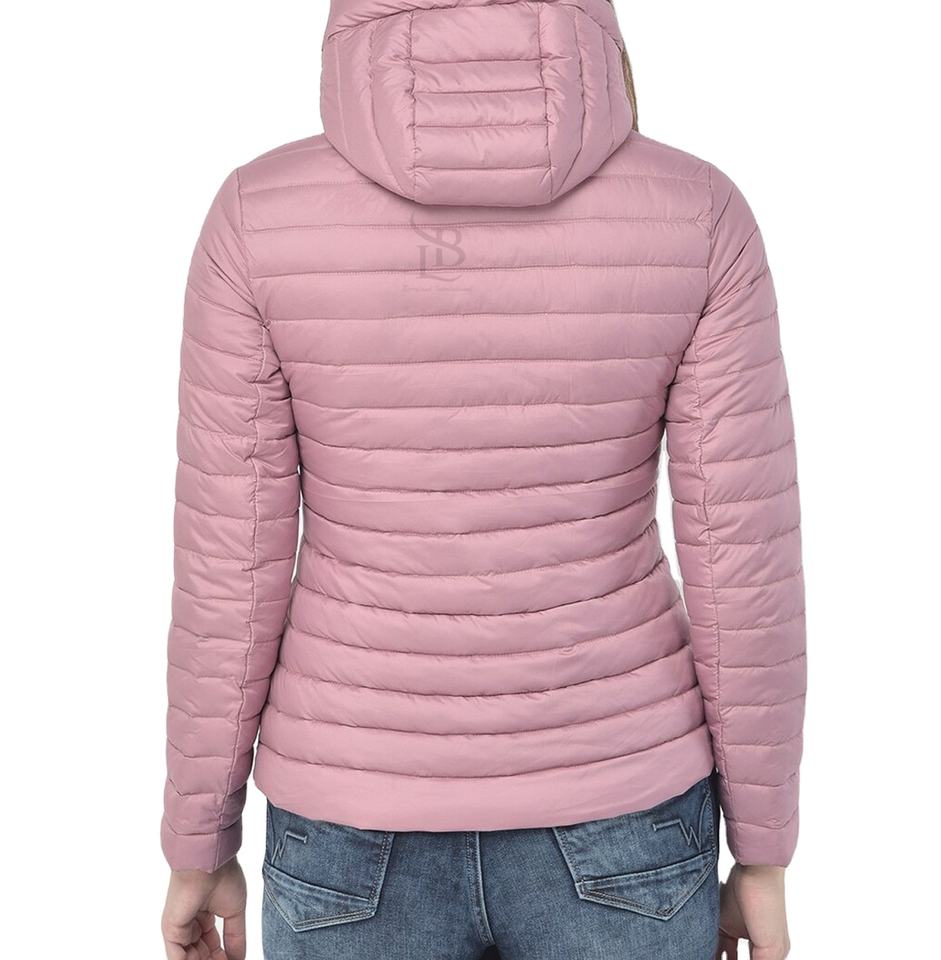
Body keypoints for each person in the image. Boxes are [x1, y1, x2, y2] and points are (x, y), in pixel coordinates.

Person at [160, 1, 805, 958]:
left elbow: (230, 572)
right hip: (625, 810)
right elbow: (741, 562)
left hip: (348, 818)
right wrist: (763, 851)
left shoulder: (258, 219)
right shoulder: (698, 213)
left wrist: (197, 841)